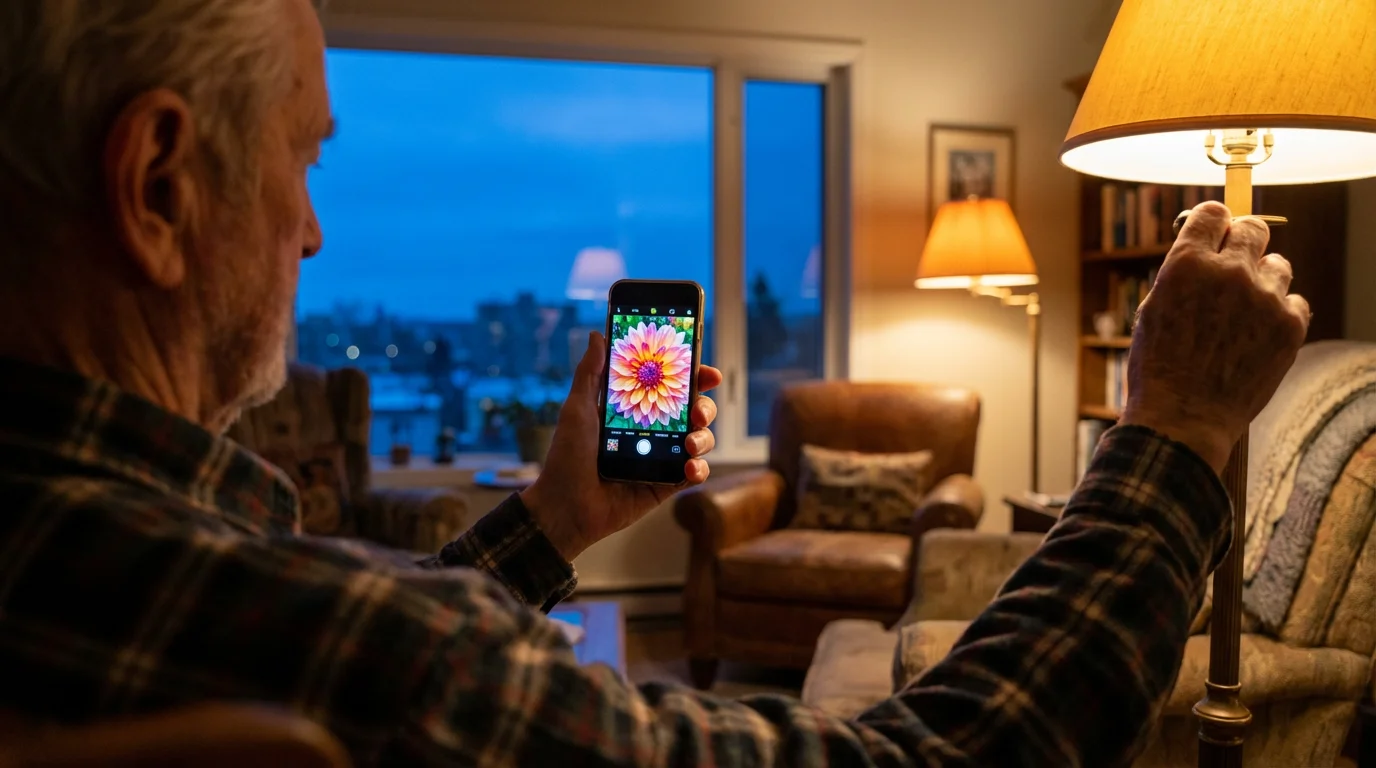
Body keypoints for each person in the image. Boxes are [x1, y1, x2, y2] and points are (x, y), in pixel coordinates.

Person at [0, 0, 1311, 765]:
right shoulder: (377, 653)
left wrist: (560, 521)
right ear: (161, 184)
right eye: (306, 161)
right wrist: (1180, 426)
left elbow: (368, 655)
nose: (314, 231)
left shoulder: (106, 564)